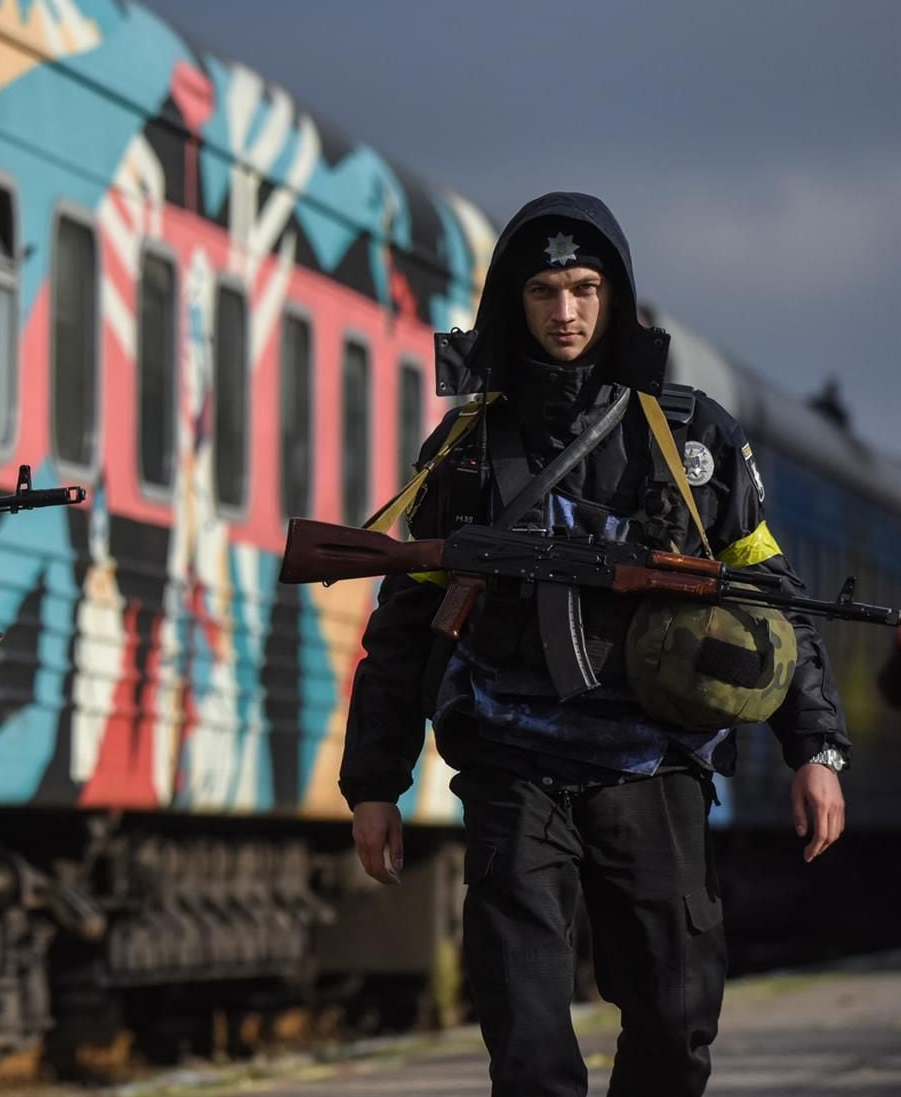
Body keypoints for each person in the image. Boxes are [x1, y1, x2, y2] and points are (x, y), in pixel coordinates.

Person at [339, 191, 851, 1097]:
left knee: (676, 1017)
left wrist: (814, 746)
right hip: (513, 767)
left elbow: (775, 599)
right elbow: (402, 623)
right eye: (543, 291)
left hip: (654, 765)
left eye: (583, 287)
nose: (565, 312)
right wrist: (375, 781)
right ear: (513, 301)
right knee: (526, 1037)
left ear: (615, 294)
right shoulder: (467, 446)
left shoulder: (690, 438)